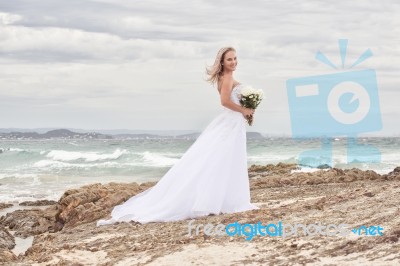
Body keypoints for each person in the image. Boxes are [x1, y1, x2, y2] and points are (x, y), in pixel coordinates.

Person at [97, 47, 258, 226]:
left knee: (224, 160)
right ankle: (219, 200)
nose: (234, 62)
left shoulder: (225, 77)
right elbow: (225, 101)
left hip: (232, 123)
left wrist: (247, 109)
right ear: (222, 62)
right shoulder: (226, 78)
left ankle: (222, 199)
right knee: (222, 159)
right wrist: (244, 109)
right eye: (229, 59)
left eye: (235, 58)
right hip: (230, 124)